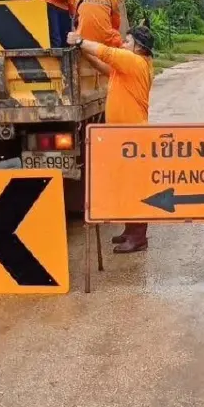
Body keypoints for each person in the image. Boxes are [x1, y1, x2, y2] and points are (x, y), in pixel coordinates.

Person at [68, 25, 155, 253]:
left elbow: (106, 52)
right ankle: (130, 230)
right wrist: (84, 52)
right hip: (123, 138)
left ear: (139, 47)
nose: (123, 45)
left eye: (127, 42)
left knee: (134, 187)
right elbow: (102, 64)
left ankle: (138, 237)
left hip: (133, 137)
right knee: (125, 185)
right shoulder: (125, 68)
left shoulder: (135, 62)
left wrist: (79, 41)